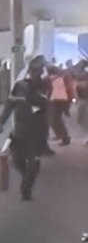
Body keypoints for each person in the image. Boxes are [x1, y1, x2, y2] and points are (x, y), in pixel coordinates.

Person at [0, 57, 51, 200]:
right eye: (34, 70)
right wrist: (1, 122)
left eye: (39, 71)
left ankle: (26, 187)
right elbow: (9, 105)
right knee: (17, 160)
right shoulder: (20, 86)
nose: (36, 74)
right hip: (20, 130)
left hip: (37, 131)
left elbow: (45, 107)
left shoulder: (44, 86)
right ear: (29, 71)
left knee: (33, 162)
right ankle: (26, 176)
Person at [46, 64, 75, 146]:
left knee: (56, 120)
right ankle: (61, 136)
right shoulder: (52, 79)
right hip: (58, 100)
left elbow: (69, 88)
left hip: (59, 100)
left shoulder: (63, 77)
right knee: (56, 120)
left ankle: (65, 138)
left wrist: (71, 99)